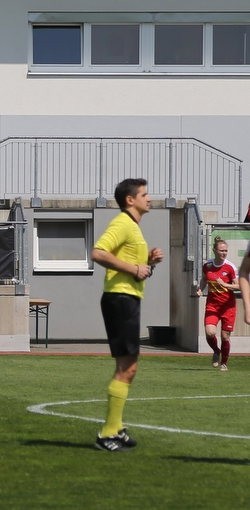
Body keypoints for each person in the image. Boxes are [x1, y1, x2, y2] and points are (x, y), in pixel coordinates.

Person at [90, 178, 164, 452]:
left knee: (129, 368)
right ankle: (107, 434)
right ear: (130, 200)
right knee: (127, 368)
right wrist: (134, 269)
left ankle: (116, 429)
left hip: (127, 299)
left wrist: (147, 263)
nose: (149, 198)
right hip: (120, 299)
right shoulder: (122, 222)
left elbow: (133, 265)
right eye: (144, 194)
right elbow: (98, 253)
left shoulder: (133, 226)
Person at [197, 236, 238, 371]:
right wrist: (200, 289)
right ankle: (216, 351)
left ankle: (224, 363)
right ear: (214, 250)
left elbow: (238, 286)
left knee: (225, 336)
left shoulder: (230, 267)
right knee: (209, 332)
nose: (224, 253)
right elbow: (204, 279)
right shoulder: (207, 265)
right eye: (221, 250)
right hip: (212, 305)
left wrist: (224, 284)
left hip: (228, 306)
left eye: (226, 251)